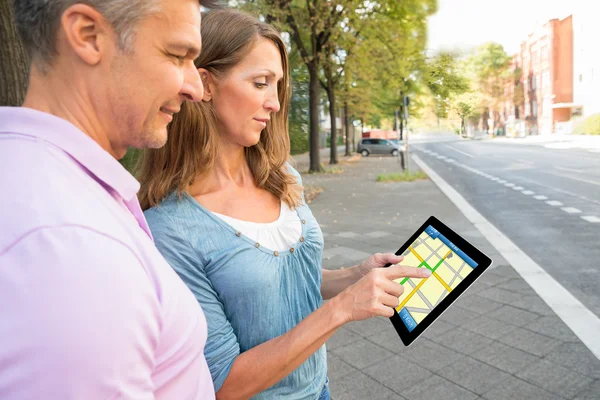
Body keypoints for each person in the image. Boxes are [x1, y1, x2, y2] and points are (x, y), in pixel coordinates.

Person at [139, 9, 431, 400]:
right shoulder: (168, 230)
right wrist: (342, 308)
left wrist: (354, 276)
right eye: (260, 83)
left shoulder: (282, 176)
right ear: (205, 84)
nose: (275, 103)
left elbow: (284, 283)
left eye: (278, 85)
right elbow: (222, 383)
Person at [0, 0, 219, 398]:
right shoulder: (69, 244)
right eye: (177, 55)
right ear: (88, 35)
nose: (196, 88)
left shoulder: (52, 190)